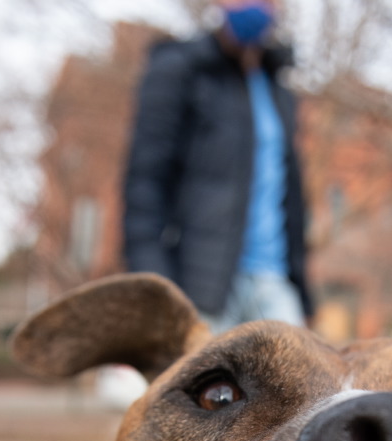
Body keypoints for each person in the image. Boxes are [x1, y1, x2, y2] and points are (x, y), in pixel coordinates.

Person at [121, 0, 313, 333]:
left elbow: (290, 197)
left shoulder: (279, 90)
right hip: (201, 287)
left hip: (274, 282)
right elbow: (145, 183)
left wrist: (304, 292)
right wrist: (154, 284)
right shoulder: (179, 70)